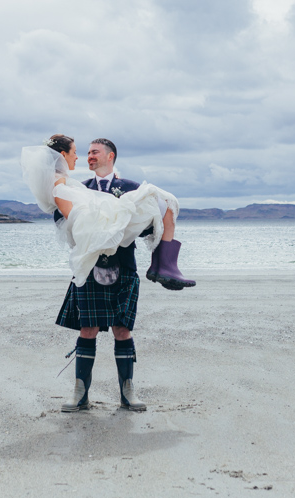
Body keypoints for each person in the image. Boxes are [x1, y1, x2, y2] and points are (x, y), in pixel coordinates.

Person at [19, 135, 194, 414]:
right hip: (89, 266)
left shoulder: (130, 187)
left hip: (123, 265)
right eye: (85, 152)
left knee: (122, 330)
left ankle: (128, 393)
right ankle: (79, 393)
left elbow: (150, 222)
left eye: (94, 152)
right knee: (87, 330)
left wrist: (123, 224)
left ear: (110, 156)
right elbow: (64, 221)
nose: (89, 156)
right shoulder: (79, 186)